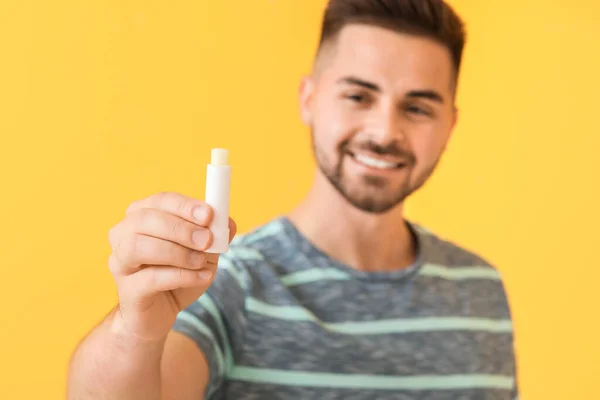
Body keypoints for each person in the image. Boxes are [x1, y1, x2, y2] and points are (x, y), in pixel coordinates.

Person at [67, 0, 519, 399]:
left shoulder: (480, 289)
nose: (384, 132)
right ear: (309, 99)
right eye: (358, 95)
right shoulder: (227, 281)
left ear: (451, 124)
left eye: (418, 107)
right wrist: (135, 330)